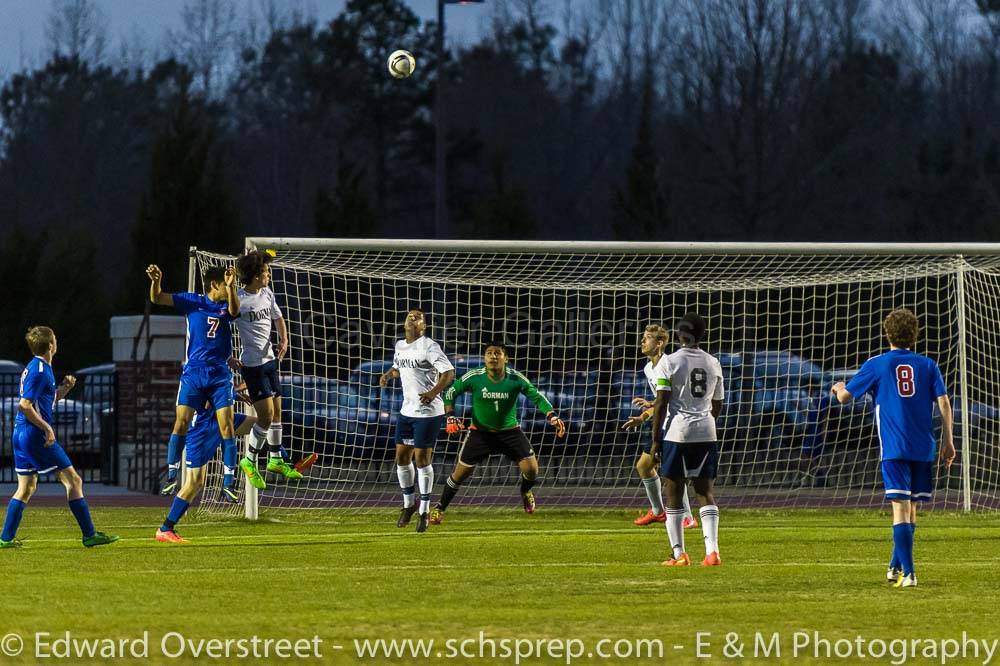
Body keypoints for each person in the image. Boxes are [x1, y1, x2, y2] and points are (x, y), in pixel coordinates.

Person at [831, 308, 955, 588]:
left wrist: (838, 387)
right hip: (924, 446)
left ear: (887, 333)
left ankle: (909, 573)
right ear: (915, 334)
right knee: (911, 508)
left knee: (899, 507)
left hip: (895, 447)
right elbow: (944, 403)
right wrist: (949, 441)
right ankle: (894, 566)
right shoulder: (928, 364)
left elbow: (845, 398)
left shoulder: (877, 363)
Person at [0, 326, 118, 548]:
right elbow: (25, 406)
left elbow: (44, 401)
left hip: (21, 434)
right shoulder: (40, 371)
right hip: (33, 434)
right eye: (55, 338)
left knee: (26, 487)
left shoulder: (38, 367)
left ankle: (5, 539)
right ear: (51, 345)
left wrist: (65, 388)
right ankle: (90, 535)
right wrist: (47, 428)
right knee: (74, 480)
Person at [430, 342, 566, 524]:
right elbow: (451, 392)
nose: (493, 357)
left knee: (532, 470)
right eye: (489, 353)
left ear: (506, 358)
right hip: (480, 433)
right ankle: (439, 508)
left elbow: (536, 396)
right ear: (485, 358)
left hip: (510, 433)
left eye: (497, 353)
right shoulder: (474, 376)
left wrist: (552, 416)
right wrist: (450, 416)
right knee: (459, 475)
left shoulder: (515, 378)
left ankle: (525, 491)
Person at [147, 264, 243, 502]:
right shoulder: (193, 302)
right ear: (214, 284)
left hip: (220, 375)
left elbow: (234, 310)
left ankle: (229, 482)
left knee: (227, 426)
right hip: (194, 374)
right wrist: (156, 281)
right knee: (181, 421)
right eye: (226, 284)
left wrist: (231, 289)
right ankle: (171, 476)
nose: (231, 287)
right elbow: (158, 297)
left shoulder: (226, 305)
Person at [230, 250, 310, 488]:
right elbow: (222, 327)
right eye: (265, 272)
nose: (269, 274)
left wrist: (284, 340)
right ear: (255, 276)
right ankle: (249, 460)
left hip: (270, 361)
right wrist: (227, 357)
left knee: (276, 413)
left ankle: (275, 459)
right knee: (264, 417)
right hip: (253, 365)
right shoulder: (239, 300)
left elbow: (278, 318)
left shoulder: (266, 293)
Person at [651, 313, 724, 567]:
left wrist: (655, 441)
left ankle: (679, 554)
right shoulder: (713, 362)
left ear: (680, 335)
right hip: (707, 431)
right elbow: (717, 403)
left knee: (673, 493)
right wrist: (704, 421)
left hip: (678, 433)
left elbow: (661, 402)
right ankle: (712, 552)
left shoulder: (669, 362)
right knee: (705, 492)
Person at [378, 308, 455, 533]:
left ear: (424, 326)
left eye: (418, 317)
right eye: (410, 315)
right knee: (401, 458)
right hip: (407, 411)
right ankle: (408, 505)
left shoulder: (429, 346)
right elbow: (399, 367)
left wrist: (432, 393)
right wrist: (387, 374)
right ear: (404, 323)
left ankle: (424, 510)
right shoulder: (400, 346)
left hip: (429, 412)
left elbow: (448, 373)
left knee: (421, 460)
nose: (413, 318)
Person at [156, 384, 260, 543]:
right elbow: (208, 399)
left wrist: (236, 394)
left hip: (222, 420)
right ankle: (166, 528)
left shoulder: (217, 366)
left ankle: (281, 460)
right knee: (194, 482)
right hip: (202, 428)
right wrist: (236, 390)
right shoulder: (199, 371)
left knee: (262, 425)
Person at [622, 324, 697, 528]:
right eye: (643, 337)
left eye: (647, 338)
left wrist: (646, 414)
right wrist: (648, 408)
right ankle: (659, 512)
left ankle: (687, 517)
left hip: (676, 424)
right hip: (663, 423)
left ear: (660, 342)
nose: (642, 341)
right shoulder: (648, 368)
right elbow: (661, 398)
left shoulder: (670, 364)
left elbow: (671, 399)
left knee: (672, 472)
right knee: (645, 466)